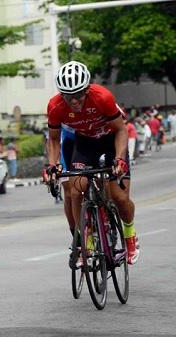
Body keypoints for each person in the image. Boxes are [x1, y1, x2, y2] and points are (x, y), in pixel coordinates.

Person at [44, 60, 139, 265]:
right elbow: (53, 139)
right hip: (86, 142)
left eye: (78, 94)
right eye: (69, 96)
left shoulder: (102, 97)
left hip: (111, 140)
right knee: (76, 188)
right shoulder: (55, 106)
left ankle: (130, 237)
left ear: (87, 89)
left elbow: (121, 131)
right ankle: (85, 242)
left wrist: (121, 159)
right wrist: (52, 166)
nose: (74, 100)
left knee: (119, 197)